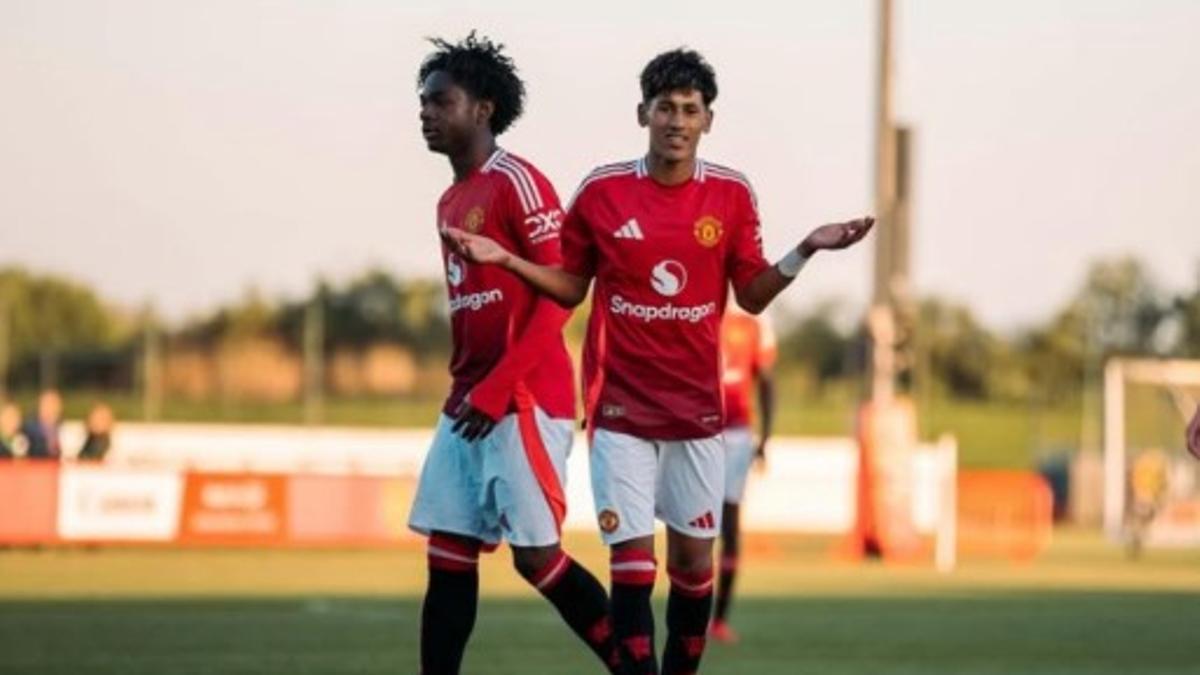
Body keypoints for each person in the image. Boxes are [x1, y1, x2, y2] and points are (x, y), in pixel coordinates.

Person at [445, 48, 872, 674]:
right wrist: (507, 259)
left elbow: (752, 296)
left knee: (694, 569)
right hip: (620, 411)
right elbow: (571, 286)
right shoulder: (603, 191)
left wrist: (805, 249)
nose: (677, 121)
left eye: (690, 110)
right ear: (643, 112)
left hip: (697, 414)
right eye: (666, 108)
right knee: (632, 566)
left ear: (708, 120)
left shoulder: (730, 194)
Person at [406, 33, 621, 675]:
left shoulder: (517, 182)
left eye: (441, 101)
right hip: (468, 402)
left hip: (523, 396)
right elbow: (473, 304)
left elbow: (562, 294)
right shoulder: (449, 200)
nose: (426, 112)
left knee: (537, 558)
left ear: (484, 109)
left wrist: (500, 385)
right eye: (423, 102)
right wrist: (470, 387)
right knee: (448, 553)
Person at [709, 306, 776, 643]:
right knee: (710, 527)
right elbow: (767, 382)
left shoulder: (753, 321)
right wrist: (765, 438)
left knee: (720, 526)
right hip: (702, 430)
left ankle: (716, 619)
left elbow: (766, 380)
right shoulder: (750, 320)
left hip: (728, 433)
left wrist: (765, 438)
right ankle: (708, 618)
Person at [21, 389, 63, 460]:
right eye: (47, 404)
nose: (51, 408)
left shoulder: (66, 430)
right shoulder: (27, 431)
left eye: (54, 404)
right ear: (40, 407)